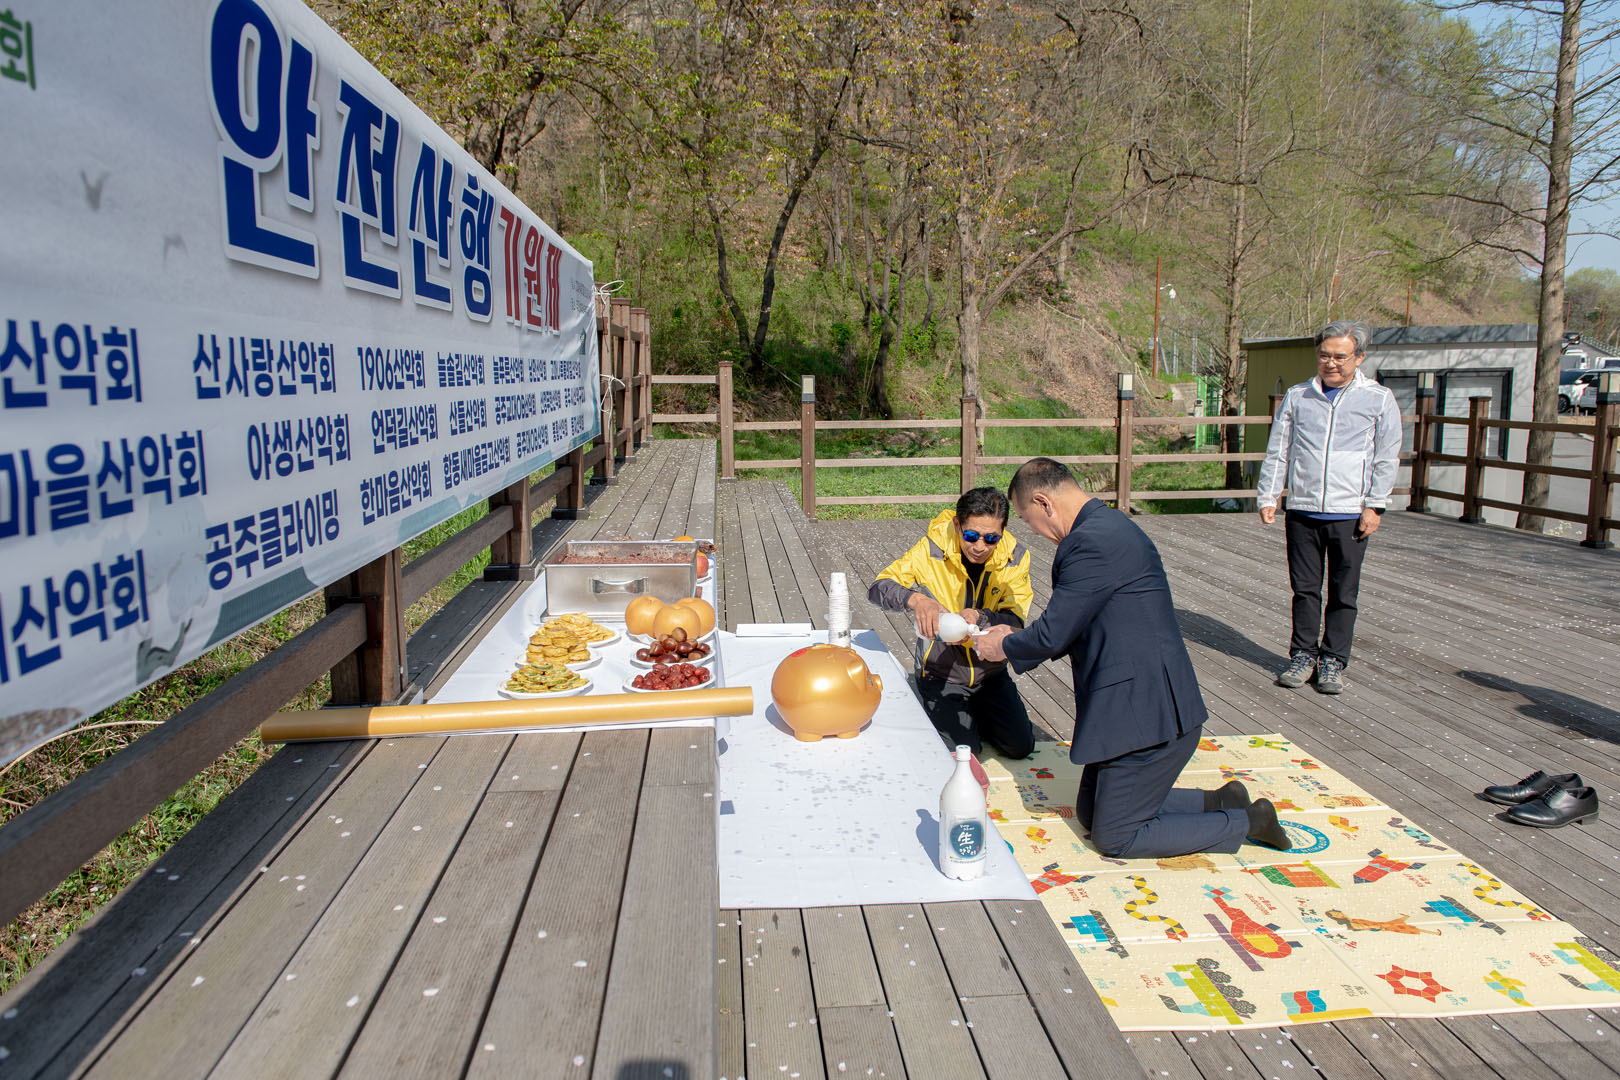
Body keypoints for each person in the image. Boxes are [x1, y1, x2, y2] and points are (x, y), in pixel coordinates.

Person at [974, 458, 1289, 859]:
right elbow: (1074, 623)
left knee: (1116, 837)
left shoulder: (1090, 543)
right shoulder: (1108, 526)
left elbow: (1054, 633)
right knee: (1091, 813)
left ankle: (1249, 822)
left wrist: (1002, 646)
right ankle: (1220, 800)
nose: (1033, 530)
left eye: (1026, 519)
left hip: (1150, 716)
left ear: (1044, 502)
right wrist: (1015, 637)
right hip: (1129, 705)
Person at [1257, 320, 1403, 695]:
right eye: (1324, 355)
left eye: (1340, 356)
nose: (1331, 363)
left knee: (1343, 592)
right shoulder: (1298, 396)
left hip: (1350, 512)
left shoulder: (1378, 398)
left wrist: (1375, 506)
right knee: (1305, 590)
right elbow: (1279, 450)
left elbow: (1386, 457)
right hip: (1303, 510)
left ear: (1359, 357)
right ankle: (1303, 655)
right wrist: (1269, 495)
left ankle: (1333, 660)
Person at [868, 487, 1036, 759]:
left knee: (1020, 747)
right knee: (966, 754)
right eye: (970, 536)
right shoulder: (931, 548)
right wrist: (916, 599)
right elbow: (878, 588)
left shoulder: (1016, 557)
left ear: (1003, 530)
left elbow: (1016, 620)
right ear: (957, 525)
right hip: (941, 671)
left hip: (990, 672)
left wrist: (980, 617)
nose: (980, 547)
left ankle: (975, 714)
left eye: (991, 538)